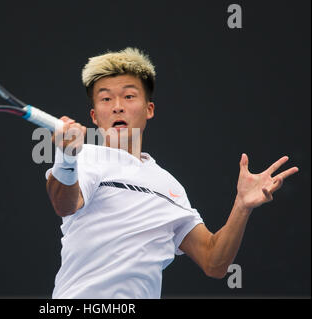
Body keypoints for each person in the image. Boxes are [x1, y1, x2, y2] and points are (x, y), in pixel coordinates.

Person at [45, 48, 299, 299]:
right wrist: (67, 157)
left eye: (129, 96)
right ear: (94, 117)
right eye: (106, 99)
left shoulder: (170, 186)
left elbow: (214, 262)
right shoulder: (87, 157)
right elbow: (65, 205)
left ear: (149, 109)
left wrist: (242, 206)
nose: (117, 107)